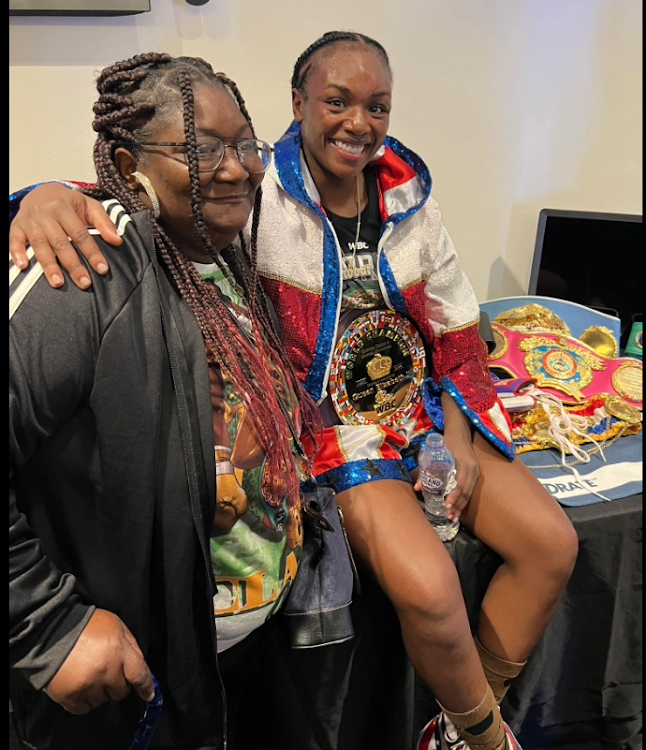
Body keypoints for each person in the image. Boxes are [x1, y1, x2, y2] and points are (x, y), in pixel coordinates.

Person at [10, 33, 580, 750]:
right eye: (336, 101)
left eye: (378, 106)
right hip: (332, 442)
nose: (358, 122)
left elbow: (455, 323)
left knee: (554, 541)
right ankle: (487, 737)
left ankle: (460, 730)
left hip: (411, 429)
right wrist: (40, 198)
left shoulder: (396, 198)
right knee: (432, 591)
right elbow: (133, 193)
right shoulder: (246, 201)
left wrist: (457, 433)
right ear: (298, 104)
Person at [9, 53, 321, 750]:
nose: (237, 166)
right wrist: (48, 626)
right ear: (129, 160)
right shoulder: (84, 267)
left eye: (246, 144)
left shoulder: (229, 254)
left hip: (237, 654)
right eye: (202, 148)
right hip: (129, 684)